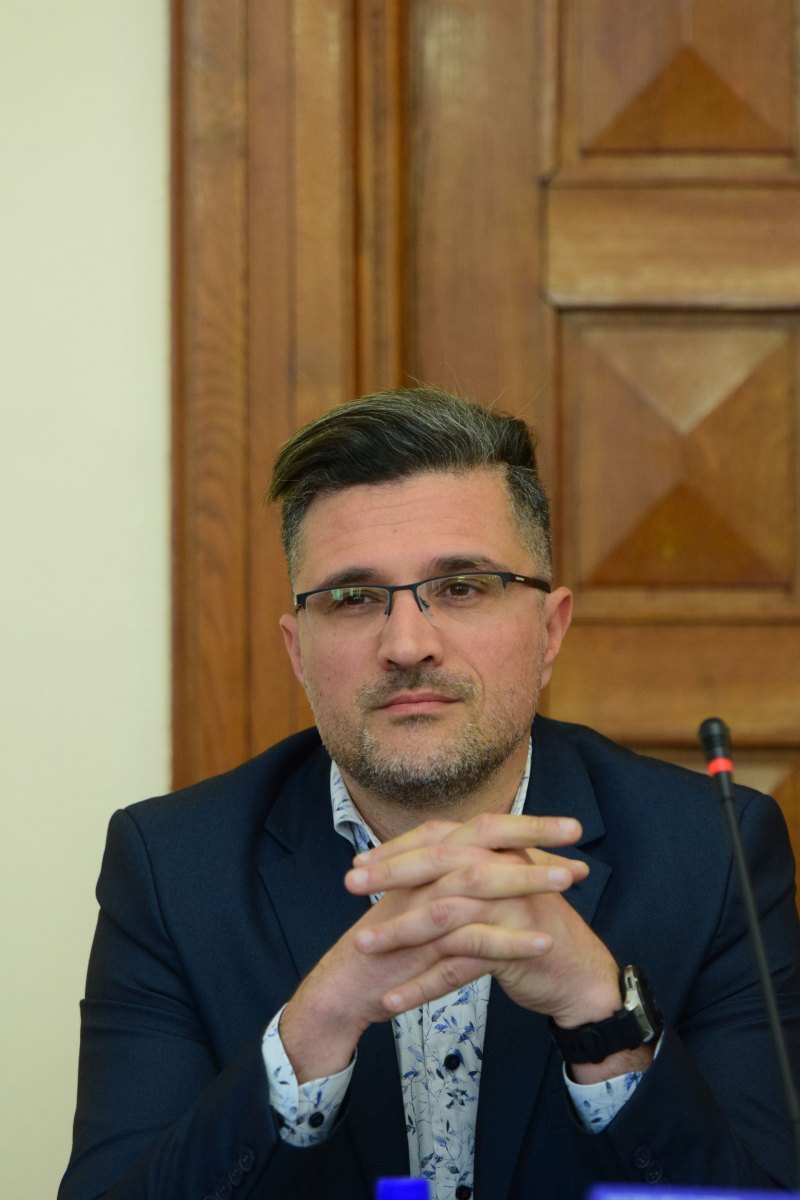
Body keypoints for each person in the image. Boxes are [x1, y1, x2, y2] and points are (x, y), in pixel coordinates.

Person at [60, 386, 800, 1200]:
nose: (407, 644)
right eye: (353, 598)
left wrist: (603, 1016)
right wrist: (316, 1028)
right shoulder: (172, 867)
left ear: (549, 630)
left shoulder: (714, 854)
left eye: (463, 587)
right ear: (298, 652)